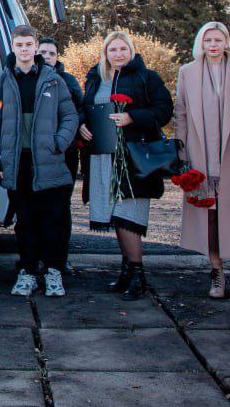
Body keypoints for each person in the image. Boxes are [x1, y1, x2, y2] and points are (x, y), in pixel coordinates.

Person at [0, 26, 79, 298]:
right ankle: (26, 272)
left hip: (48, 162)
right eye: (19, 45)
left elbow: (70, 116)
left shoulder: (53, 80)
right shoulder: (0, 82)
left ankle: (53, 272)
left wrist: (58, 142)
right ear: (12, 47)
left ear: (36, 46)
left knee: (52, 221)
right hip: (17, 163)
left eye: (28, 44)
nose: (24, 49)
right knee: (25, 222)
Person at [79, 31, 173, 300]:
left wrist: (133, 117)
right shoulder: (96, 78)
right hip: (102, 156)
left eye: (123, 49)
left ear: (131, 50)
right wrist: (83, 125)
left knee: (128, 217)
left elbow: (163, 111)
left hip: (133, 158)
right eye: (113, 50)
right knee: (115, 217)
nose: (118, 54)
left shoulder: (147, 77)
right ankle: (127, 272)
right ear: (105, 53)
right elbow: (87, 108)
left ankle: (138, 274)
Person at [175, 22, 230, 300]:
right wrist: (182, 157)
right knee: (209, 217)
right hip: (201, 156)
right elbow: (181, 116)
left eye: (218, 39)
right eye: (207, 40)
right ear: (201, 43)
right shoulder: (187, 72)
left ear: (227, 42)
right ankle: (215, 272)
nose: (213, 45)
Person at [39, 37, 85, 273]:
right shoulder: (29, 79)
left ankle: (60, 257)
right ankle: (37, 256)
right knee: (36, 209)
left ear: (57, 57)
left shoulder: (67, 81)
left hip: (63, 153)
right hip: (37, 154)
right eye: (43, 52)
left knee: (60, 209)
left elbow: (79, 110)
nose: (47, 57)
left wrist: (61, 141)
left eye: (51, 53)